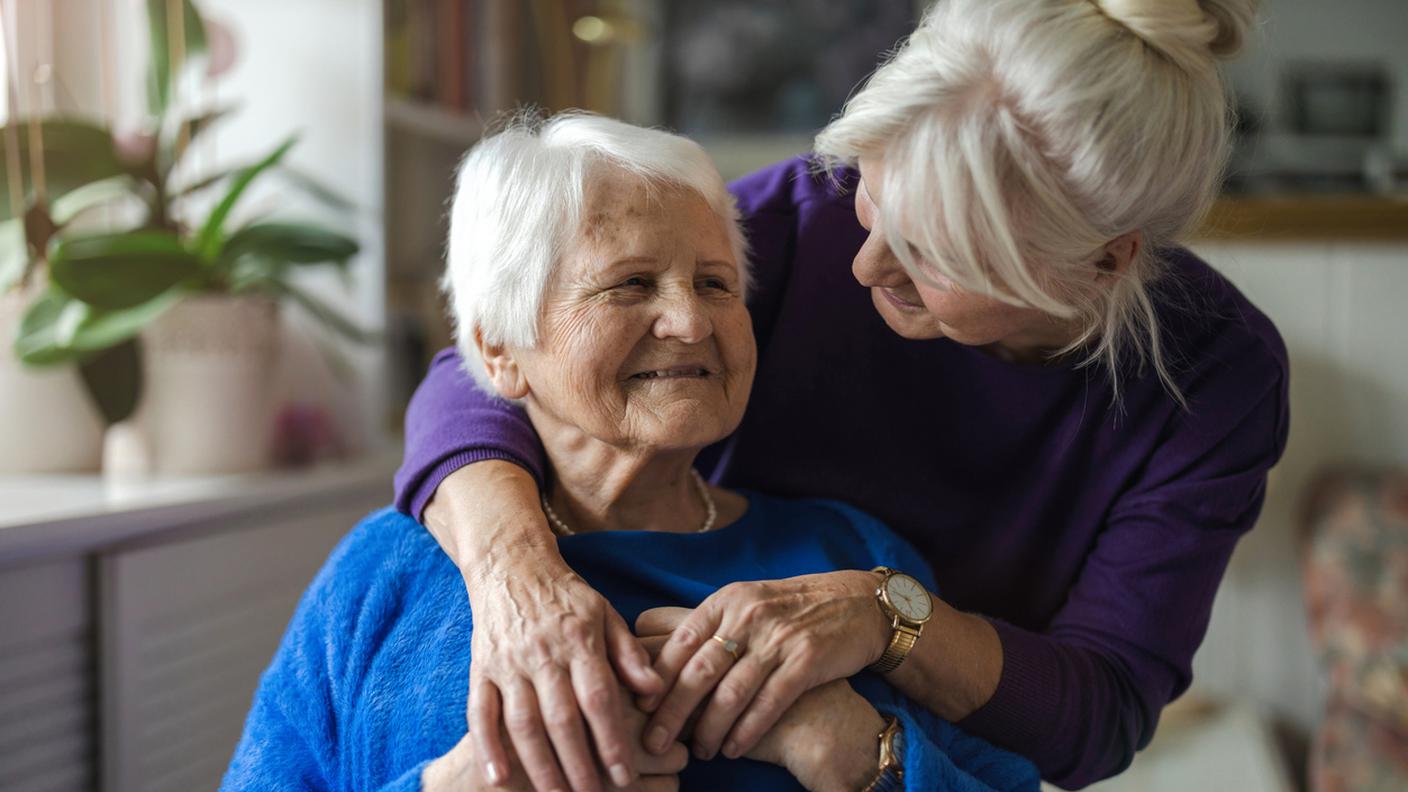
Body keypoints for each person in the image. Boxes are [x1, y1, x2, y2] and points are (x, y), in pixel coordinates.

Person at [395, 0, 1289, 789]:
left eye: (936, 254)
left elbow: (1101, 714)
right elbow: (491, 368)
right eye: (874, 198)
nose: (866, 266)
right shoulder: (805, 215)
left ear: (1103, 262)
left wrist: (885, 620)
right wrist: (520, 579)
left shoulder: (1217, 375)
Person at [223, 114, 1040, 792]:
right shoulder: (387, 571)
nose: (691, 322)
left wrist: (856, 749)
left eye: (716, 284)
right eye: (630, 285)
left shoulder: (852, 558)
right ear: (500, 347)